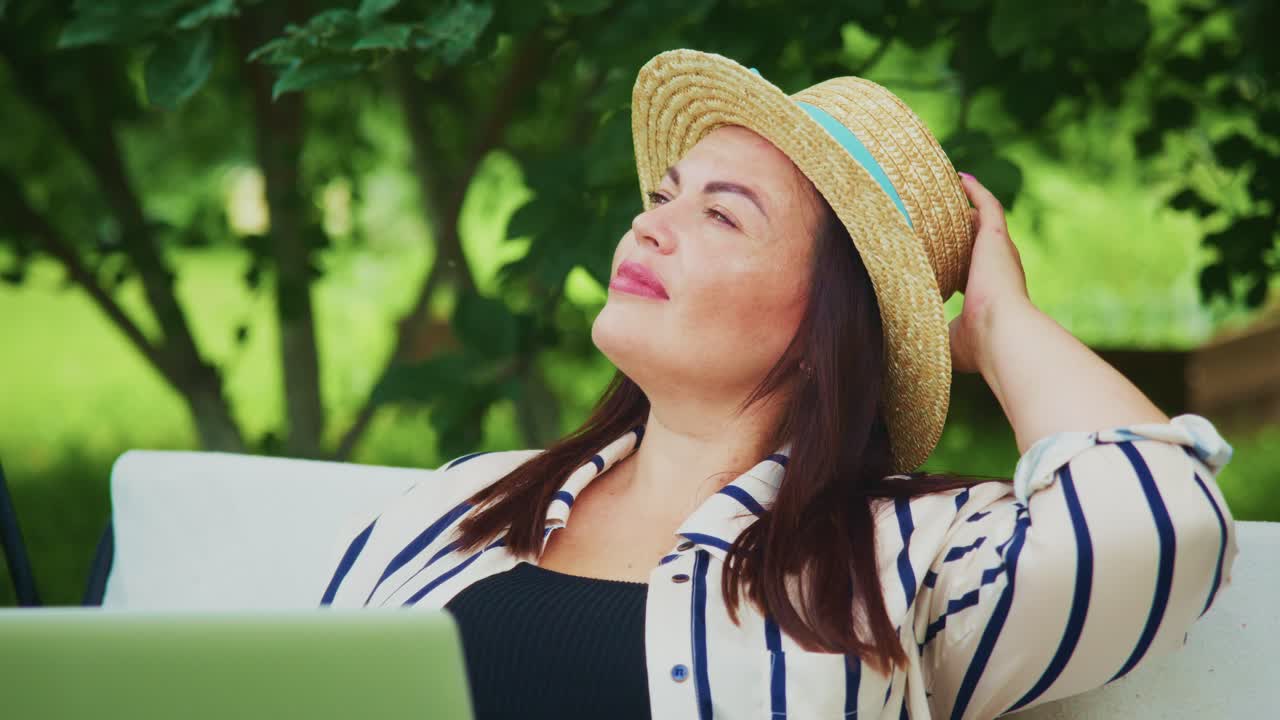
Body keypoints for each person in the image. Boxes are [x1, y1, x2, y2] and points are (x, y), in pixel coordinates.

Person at [318, 49, 1237, 720]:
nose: (650, 229)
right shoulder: (461, 503)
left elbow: (1164, 526)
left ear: (823, 325)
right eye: (662, 198)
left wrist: (1001, 326)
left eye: (721, 215)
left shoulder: (900, 564)